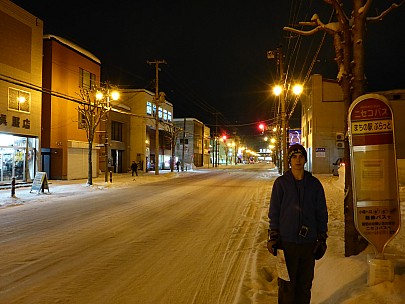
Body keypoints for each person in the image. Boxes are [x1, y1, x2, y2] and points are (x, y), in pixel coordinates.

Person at [267, 144, 328, 304]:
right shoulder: (281, 184)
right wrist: (273, 235)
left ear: (305, 160)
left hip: (308, 244)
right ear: (289, 161)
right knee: (286, 286)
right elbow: (274, 212)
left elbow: (321, 213)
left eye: (301, 156)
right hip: (286, 244)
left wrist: (322, 237)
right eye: (294, 157)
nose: (298, 160)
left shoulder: (314, 184)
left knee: (304, 285)